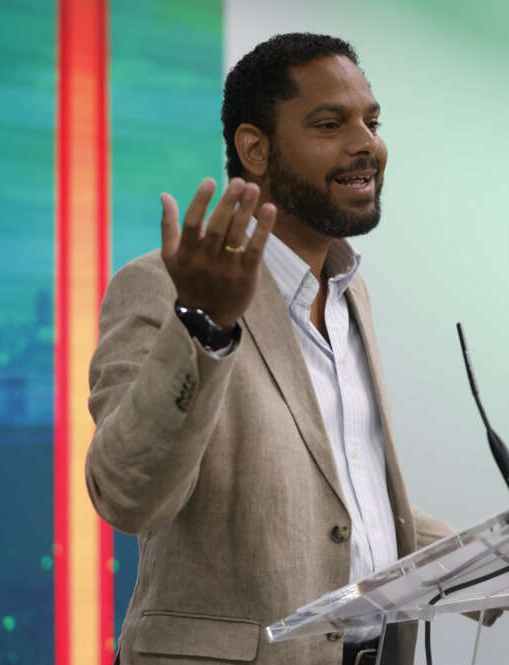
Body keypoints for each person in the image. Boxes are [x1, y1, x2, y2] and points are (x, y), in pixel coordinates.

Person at [86, 33, 464, 665]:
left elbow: (344, 507)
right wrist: (204, 326)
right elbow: (127, 495)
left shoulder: (348, 290)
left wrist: (506, 560)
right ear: (255, 149)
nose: (366, 143)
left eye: (371, 122)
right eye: (329, 124)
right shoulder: (159, 287)